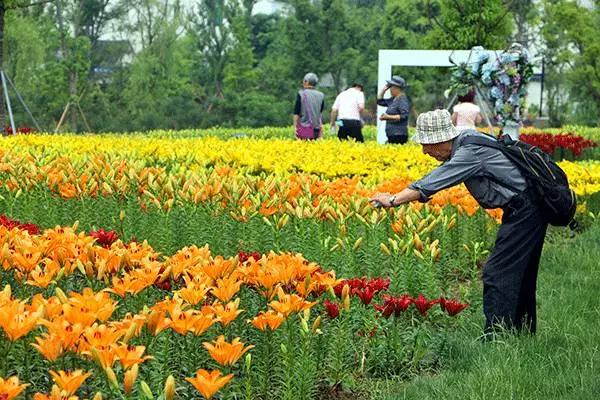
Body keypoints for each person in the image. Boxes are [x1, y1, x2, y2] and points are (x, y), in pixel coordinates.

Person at [371, 109, 548, 336]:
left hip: (526, 210)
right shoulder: (469, 143)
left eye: (427, 144)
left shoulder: (469, 152)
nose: (425, 151)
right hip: (528, 208)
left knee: (497, 272)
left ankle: (498, 337)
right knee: (520, 271)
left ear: (443, 139)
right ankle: (521, 332)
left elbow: (434, 181)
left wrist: (393, 200)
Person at [377, 75, 410, 144]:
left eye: (391, 87)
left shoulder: (402, 99)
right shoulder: (392, 100)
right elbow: (380, 101)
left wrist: (387, 117)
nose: (390, 89)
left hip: (399, 134)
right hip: (392, 134)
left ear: (397, 88)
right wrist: (383, 90)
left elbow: (404, 116)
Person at [294, 73, 325, 140]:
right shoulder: (321, 95)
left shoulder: (301, 94)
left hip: (305, 129)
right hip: (316, 129)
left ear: (306, 82)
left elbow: (297, 113)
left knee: (304, 149)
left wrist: (295, 128)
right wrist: (321, 129)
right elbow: (320, 114)